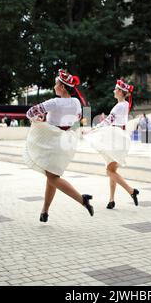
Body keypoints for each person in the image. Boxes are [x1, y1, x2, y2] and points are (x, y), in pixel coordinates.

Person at [24, 69, 93, 223]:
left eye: (56, 84)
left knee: (53, 177)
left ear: (62, 86)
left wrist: (40, 118)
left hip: (53, 141)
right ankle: (45, 212)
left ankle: (82, 199)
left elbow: (29, 113)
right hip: (66, 140)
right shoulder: (76, 102)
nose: (54, 87)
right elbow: (78, 118)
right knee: (52, 176)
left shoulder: (54, 102)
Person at [83, 79, 139, 209]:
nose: (114, 91)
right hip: (118, 136)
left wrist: (92, 129)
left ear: (120, 91)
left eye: (115, 89)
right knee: (112, 170)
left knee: (109, 171)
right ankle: (111, 200)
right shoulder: (123, 104)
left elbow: (108, 120)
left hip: (115, 137)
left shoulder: (120, 105)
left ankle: (131, 191)